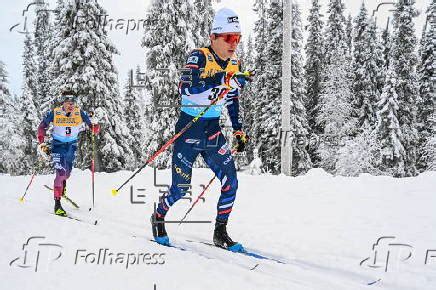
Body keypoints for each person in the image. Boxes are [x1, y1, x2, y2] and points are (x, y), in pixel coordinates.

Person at [151, 8, 252, 252]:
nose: (233, 44)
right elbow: (187, 88)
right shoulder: (199, 57)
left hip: (212, 131)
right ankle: (158, 216)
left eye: (237, 38)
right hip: (189, 131)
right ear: (213, 37)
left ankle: (220, 232)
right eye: (228, 38)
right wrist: (224, 80)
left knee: (231, 182)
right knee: (180, 189)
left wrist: (238, 130)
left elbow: (231, 99)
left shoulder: (235, 63)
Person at [37, 91, 100, 217]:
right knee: (60, 173)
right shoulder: (55, 112)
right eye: (67, 103)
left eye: (72, 103)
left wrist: (94, 126)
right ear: (63, 102)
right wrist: (41, 142)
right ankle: (57, 204)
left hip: (71, 146)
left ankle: (62, 186)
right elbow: (42, 126)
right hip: (58, 146)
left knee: (67, 173)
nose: (70, 105)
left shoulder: (79, 112)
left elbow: (93, 127)